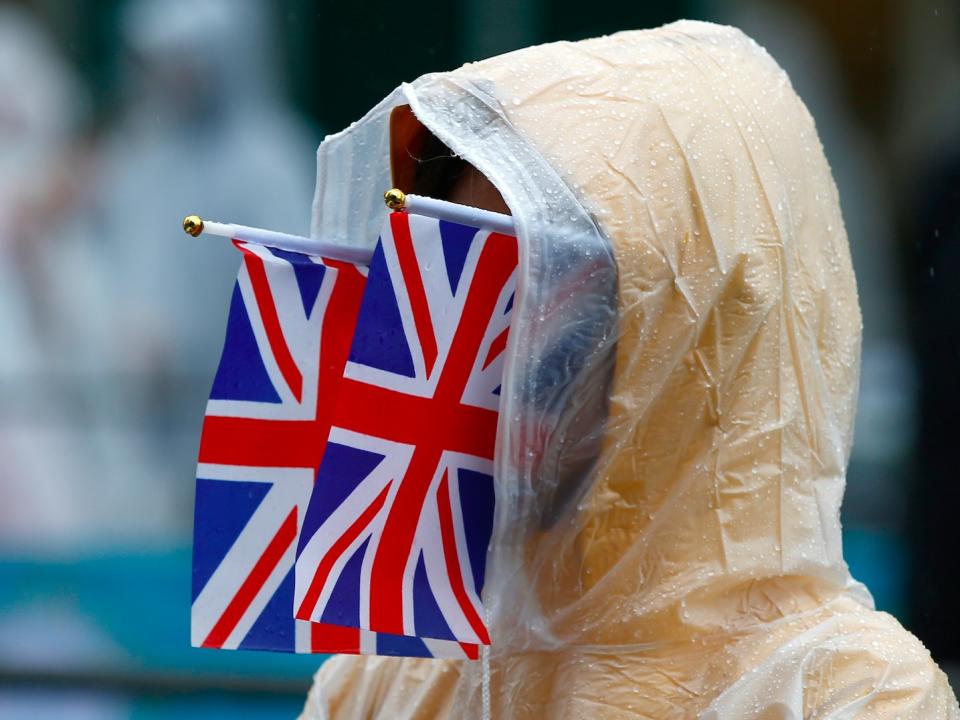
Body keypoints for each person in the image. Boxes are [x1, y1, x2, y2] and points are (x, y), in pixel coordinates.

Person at [301, 21, 959, 718]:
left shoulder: (841, 696)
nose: (487, 358)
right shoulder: (392, 675)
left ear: (704, 334)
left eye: (539, 292)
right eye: (460, 283)